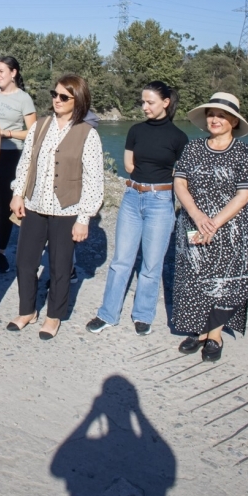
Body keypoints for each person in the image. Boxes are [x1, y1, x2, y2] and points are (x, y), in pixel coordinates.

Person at [86, 81, 187, 336]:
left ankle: (143, 315)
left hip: (161, 201)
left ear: (166, 102)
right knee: (121, 260)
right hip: (132, 197)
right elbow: (129, 166)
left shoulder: (179, 138)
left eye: (150, 102)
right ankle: (107, 313)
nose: (144, 107)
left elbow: (182, 175)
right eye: (143, 102)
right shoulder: (135, 130)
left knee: (152, 264)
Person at [8, 74, 103, 340]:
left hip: (66, 210)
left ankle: (53, 316)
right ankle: (27, 311)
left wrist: (84, 218)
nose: (56, 100)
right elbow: (26, 163)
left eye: (63, 96)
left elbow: (94, 180)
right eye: (54, 94)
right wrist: (18, 194)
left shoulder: (88, 134)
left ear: (78, 100)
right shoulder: (40, 126)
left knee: (60, 268)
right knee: (25, 262)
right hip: (34, 205)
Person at [172, 92, 248, 362]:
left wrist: (214, 224)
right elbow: (180, 183)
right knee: (195, 277)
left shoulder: (245, 152)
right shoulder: (193, 148)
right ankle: (198, 332)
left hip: (230, 230)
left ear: (234, 121)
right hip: (193, 222)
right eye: (211, 114)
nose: (215, 119)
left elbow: (244, 195)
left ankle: (215, 335)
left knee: (224, 283)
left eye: (222, 115)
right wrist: (197, 215)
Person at [0, 56, 36, 273]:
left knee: (5, 205)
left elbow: (33, 132)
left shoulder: (24, 99)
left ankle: (0, 252)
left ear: (13, 73)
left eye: (1, 71)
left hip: (11, 156)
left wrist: (6, 133)